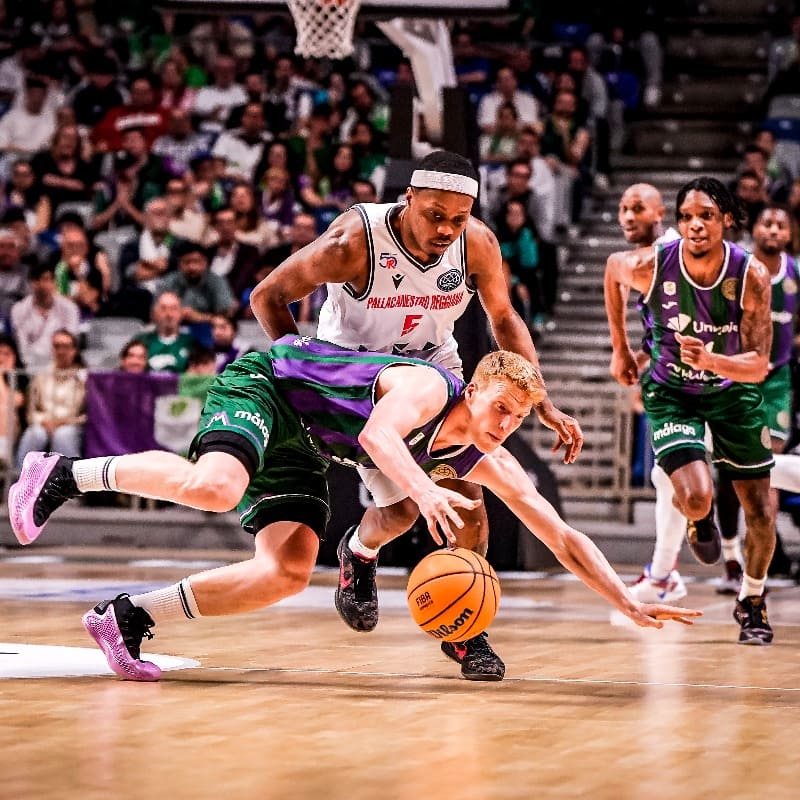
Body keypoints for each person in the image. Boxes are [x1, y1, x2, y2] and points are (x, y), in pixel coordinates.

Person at [8, 336, 699, 681]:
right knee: (217, 484)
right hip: (270, 385)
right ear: (476, 389)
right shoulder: (429, 386)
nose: (506, 424)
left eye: (519, 418)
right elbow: (375, 436)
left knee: (284, 571)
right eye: (500, 408)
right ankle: (65, 471)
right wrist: (424, 489)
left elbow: (562, 533)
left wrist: (627, 598)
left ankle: (129, 618)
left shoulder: (488, 457)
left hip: (306, 444)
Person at [249, 150, 583, 681]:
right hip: (362, 382)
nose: (447, 229)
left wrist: (541, 400)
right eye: (435, 215)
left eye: (459, 218)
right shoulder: (354, 241)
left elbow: (503, 316)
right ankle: (358, 553)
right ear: (408, 200)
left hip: (438, 372)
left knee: (470, 508)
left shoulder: (476, 243)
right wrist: (305, 370)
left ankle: (466, 634)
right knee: (403, 513)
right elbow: (268, 296)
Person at [604, 176, 777, 645]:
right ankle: (697, 524)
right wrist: (621, 350)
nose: (695, 225)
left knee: (761, 510)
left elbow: (758, 364)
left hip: (730, 391)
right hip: (672, 391)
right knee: (695, 496)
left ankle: (753, 600)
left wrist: (713, 360)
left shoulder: (751, 275)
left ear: (726, 220)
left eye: (705, 216)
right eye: (686, 217)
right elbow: (612, 269)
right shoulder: (653, 262)